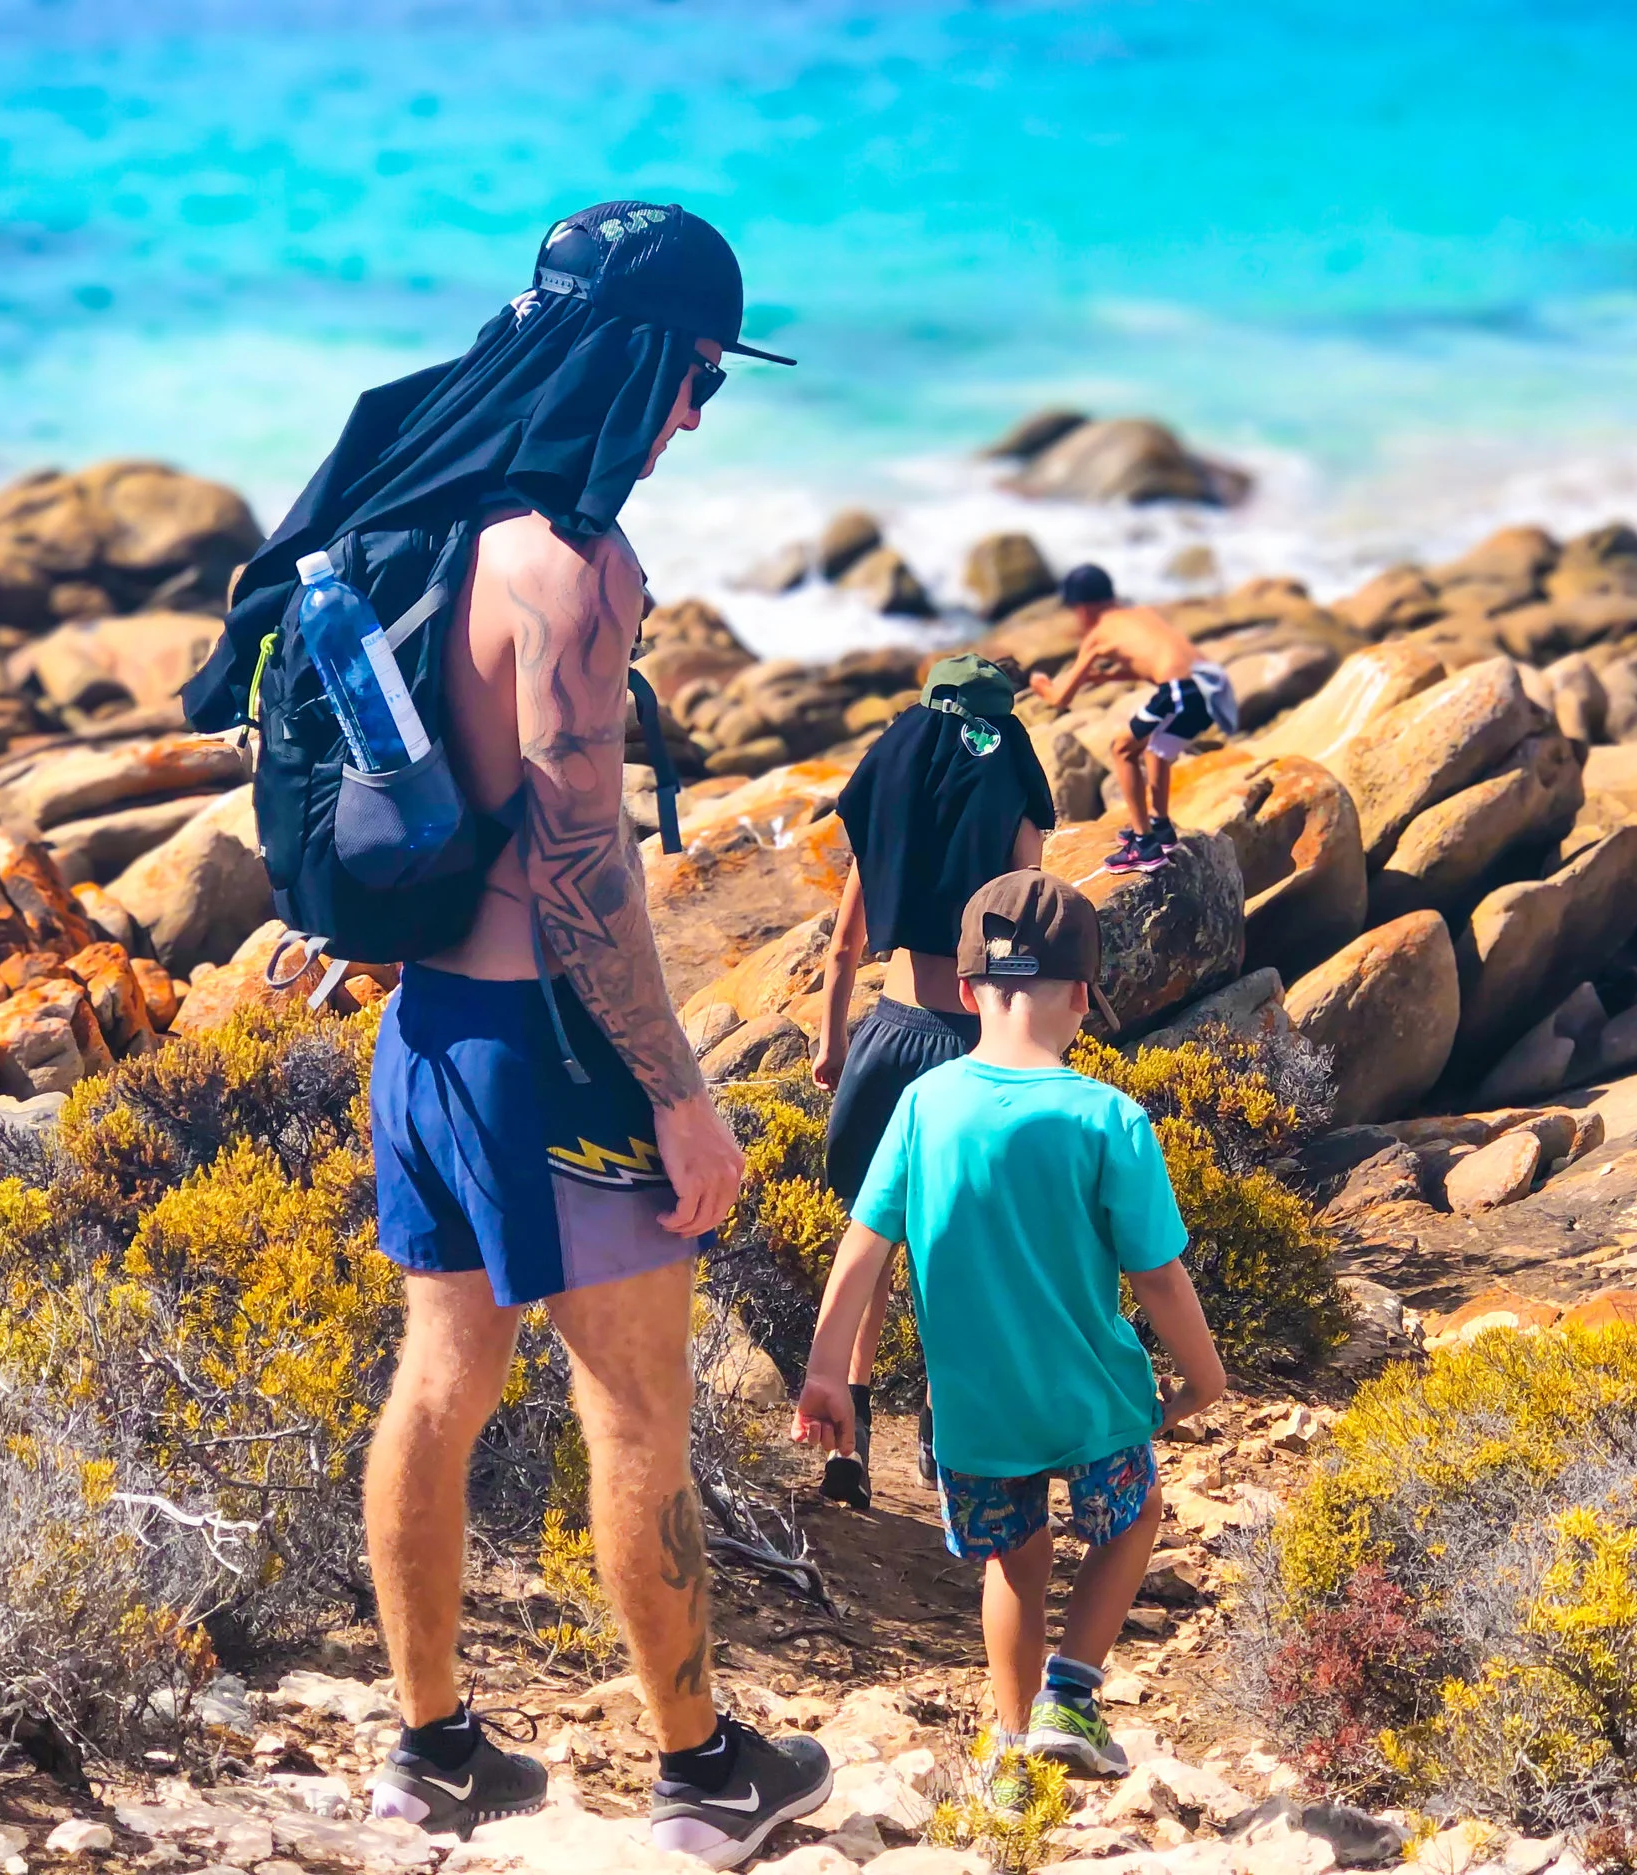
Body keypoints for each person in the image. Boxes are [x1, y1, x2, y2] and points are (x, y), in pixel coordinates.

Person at [249, 202, 831, 1867]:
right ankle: (705, 1774)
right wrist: (683, 1096)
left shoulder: (414, 518)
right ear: (643, 358)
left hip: (423, 1036)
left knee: (439, 1380)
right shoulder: (570, 571)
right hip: (545, 1051)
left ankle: (430, 1755)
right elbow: (584, 879)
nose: (698, 416)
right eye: (700, 375)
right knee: (638, 1413)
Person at [790, 871, 1227, 1787]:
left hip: (976, 1418)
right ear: (1080, 995)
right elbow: (1158, 1276)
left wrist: (829, 1368)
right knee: (1134, 1510)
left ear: (963, 989)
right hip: (1092, 1399)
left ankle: (1012, 1737)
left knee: (1015, 1563)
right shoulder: (1110, 1116)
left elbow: (864, 1244)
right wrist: (1202, 1376)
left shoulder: (923, 1106)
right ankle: (1073, 1691)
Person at [810, 653, 1056, 1508]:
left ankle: (851, 1440)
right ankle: (949, 1441)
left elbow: (845, 946)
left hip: (889, 1034)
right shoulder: (1011, 782)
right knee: (961, 1251)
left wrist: (832, 1044)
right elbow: (1033, 925)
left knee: (871, 1241)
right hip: (973, 1045)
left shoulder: (894, 785)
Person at [1027, 564, 1237, 874]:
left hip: (1182, 689)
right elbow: (1151, 664)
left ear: (1083, 609)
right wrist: (1103, 678)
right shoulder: (1141, 615)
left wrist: (1039, 684)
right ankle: (1161, 828)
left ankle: (1145, 846)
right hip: (1210, 685)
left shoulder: (1098, 635)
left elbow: (1061, 699)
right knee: (1156, 751)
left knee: (1122, 749)